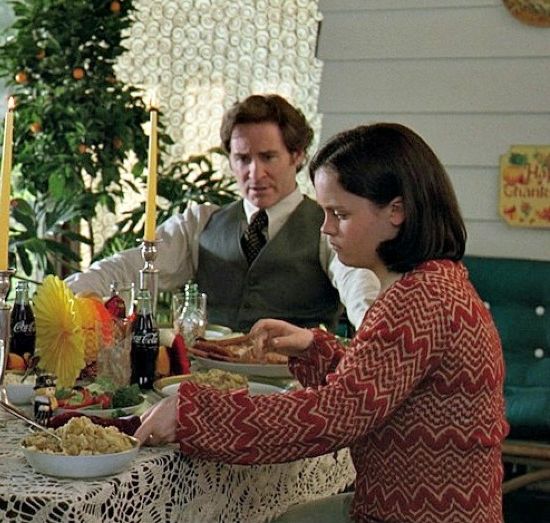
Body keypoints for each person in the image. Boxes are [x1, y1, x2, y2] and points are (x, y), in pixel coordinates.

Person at [134, 123, 508, 523]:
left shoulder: (421, 300)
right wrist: (314, 347)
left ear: (396, 212)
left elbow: (334, 416)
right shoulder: (433, 282)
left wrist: (192, 414)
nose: (326, 227)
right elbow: (384, 385)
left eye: (340, 214)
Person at [67, 94, 379, 332]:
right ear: (229, 160)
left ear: (296, 156)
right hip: (208, 382)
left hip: (292, 388)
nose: (255, 173)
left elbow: (358, 284)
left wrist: (372, 326)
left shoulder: (326, 226)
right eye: (243, 158)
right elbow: (130, 266)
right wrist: (62, 295)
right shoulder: (201, 223)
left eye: (268, 157)